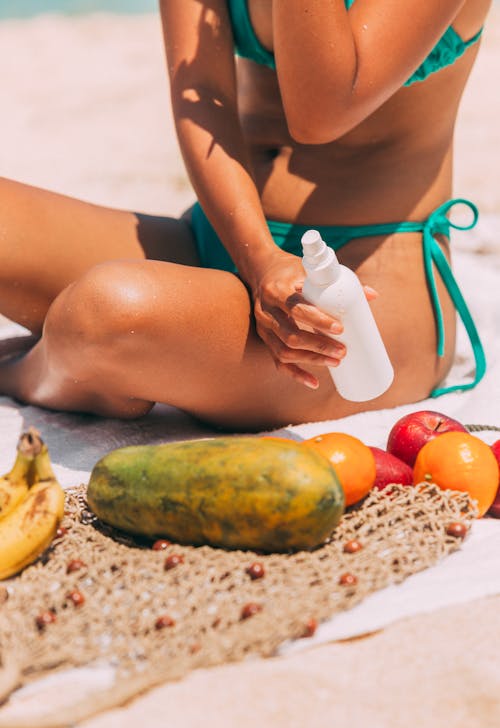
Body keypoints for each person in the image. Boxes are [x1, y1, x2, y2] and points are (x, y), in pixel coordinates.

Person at [0, 0, 491, 431]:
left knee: (104, 313)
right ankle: (90, 360)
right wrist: (260, 261)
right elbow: (202, 93)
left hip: (356, 307)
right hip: (230, 239)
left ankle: (27, 371)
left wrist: (270, 269)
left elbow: (319, 112)